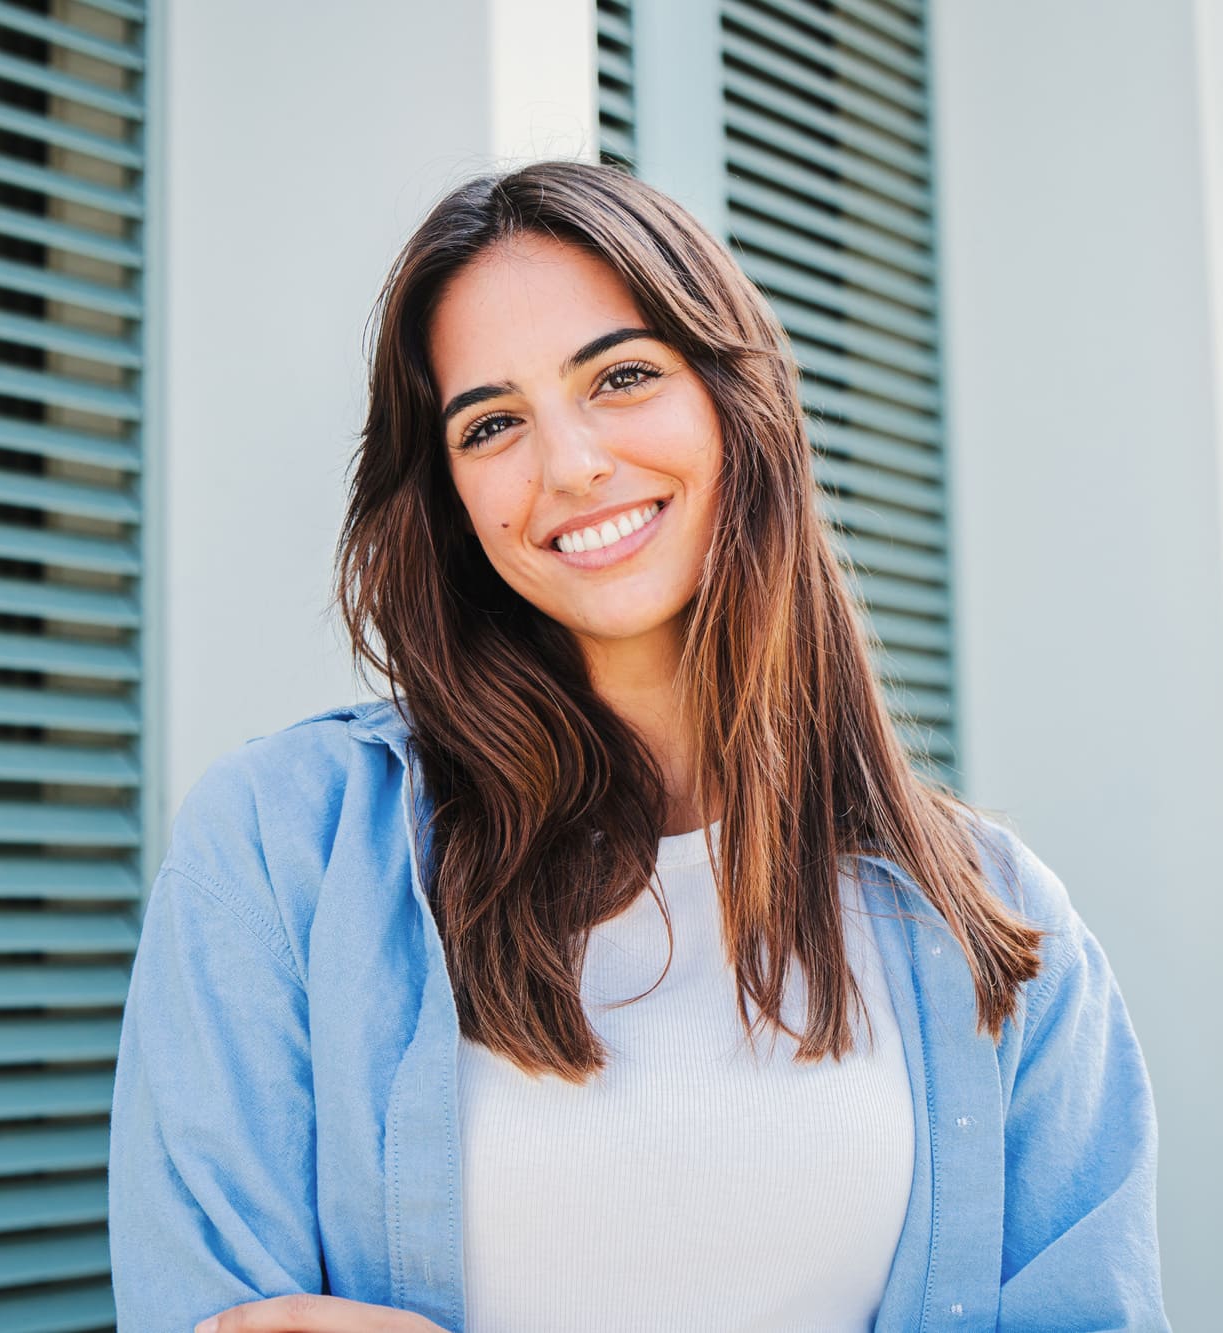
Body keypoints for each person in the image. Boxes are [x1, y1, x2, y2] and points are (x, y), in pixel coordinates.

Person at [108, 160, 1167, 1333]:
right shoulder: (276, 850)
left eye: (620, 376)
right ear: (448, 492)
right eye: (492, 423)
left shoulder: (996, 925)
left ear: (735, 400)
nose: (567, 465)